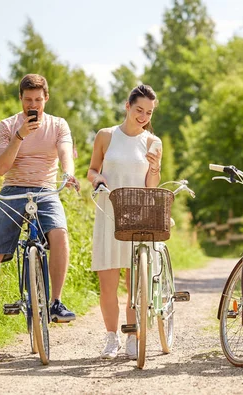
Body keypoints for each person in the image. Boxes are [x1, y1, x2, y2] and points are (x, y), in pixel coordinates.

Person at [0, 74, 80, 351]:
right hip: (13, 190)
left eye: (38, 100)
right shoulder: (6, 127)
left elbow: (65, 152)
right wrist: (20, 136)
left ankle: (55, 303)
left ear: (46, 99)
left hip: (45, 189)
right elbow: (1, 168)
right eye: (28, 100)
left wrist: (69, 173)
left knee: (60, 234)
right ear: (20, 99)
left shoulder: (58, 125)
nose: (33, 105)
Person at [87, 85, 162, 360]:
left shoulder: (153, 142)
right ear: (127, 106)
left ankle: (133, 336)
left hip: (138, 215)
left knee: (135, 284)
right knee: (107, 282)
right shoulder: (106, 136)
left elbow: (151, 185)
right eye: (139, 109)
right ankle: (111, 337)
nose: (143, 116)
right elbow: (92, 169)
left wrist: (155, 168)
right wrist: (97, 178)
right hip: (109, 213)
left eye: (149, 112)